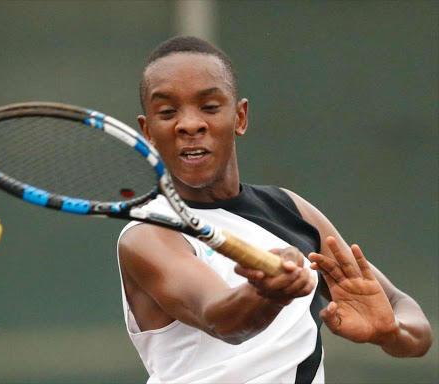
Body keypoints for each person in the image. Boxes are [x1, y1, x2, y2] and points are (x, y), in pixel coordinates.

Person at [117, 36, 432, 383]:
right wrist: (266, 292)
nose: (190, 124)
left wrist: (389, 332)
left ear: (240, 117)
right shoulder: (147, 235)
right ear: (147, 132)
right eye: (168, 112)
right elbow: (221, 319)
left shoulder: (291, 209)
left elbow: (411, 323)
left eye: (209, 107)